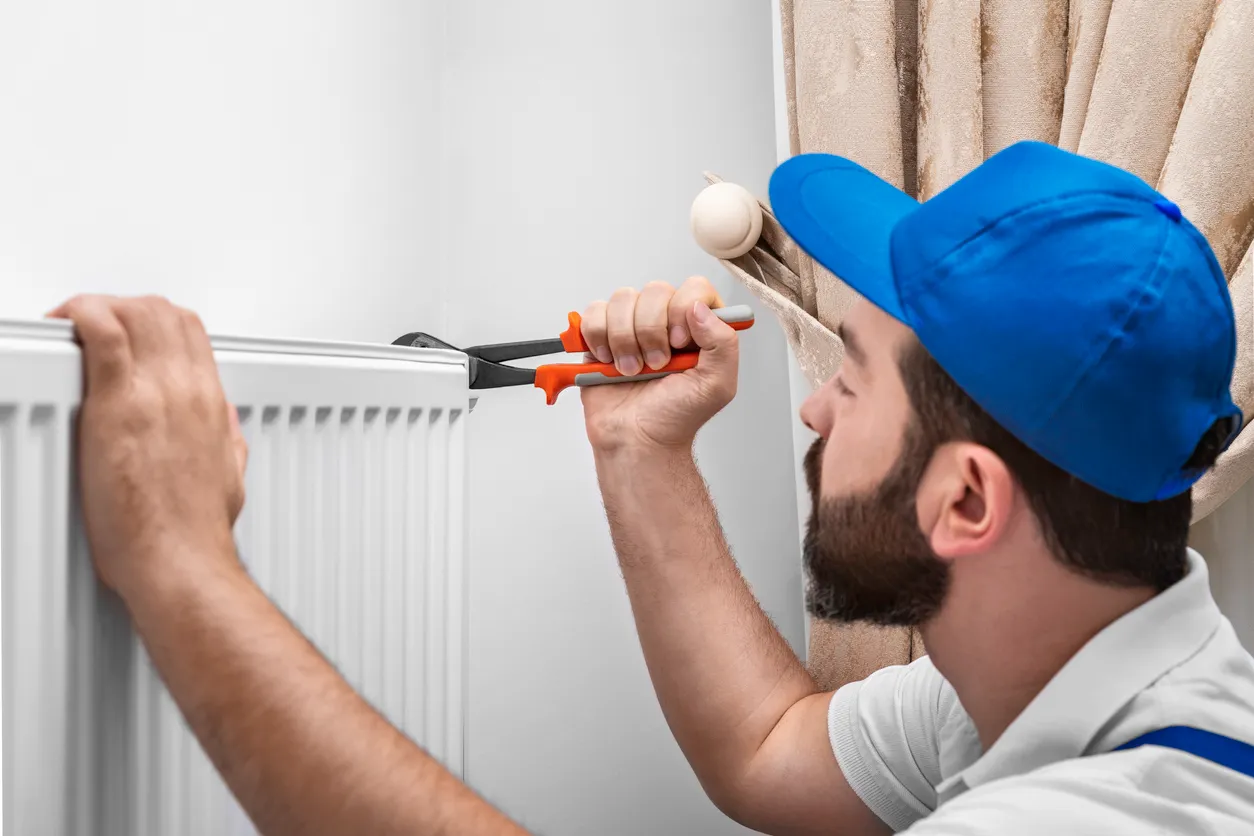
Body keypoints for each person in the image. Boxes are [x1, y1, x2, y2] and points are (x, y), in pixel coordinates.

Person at [53, 140, 1254, 835]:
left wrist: (178, 561)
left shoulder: (1115, 814)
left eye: (853, 369)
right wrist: (642, 450)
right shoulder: (1067, 669)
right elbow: (771, 748)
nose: (814, 406)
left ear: (969, 503)